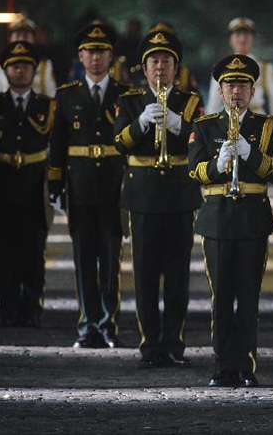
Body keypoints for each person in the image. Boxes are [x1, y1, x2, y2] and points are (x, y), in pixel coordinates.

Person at [189, 54, 273, 388]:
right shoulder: (204, 125)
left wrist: (249, 153)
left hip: (252, 219)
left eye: (243, 84)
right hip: (217, 219)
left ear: (253, 89)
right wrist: (218, 165)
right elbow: (194, 170)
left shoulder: (267, 127)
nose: (236, 91)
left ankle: (246, 364)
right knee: (221, 295)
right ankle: (223, 364)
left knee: (248, 295)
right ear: (220, 88)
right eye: (230, 84)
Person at [113, 26, 203, 368]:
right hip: (144, 196)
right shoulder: (129, 101)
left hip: (179, 194)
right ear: (144, 67)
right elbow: (118, 143)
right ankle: (150, 344)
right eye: (154, 61)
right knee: (145, 274)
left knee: (178, 275)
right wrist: (140, 123)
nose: (160, 68)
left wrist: (180, 125)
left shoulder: (190, 102)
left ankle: (174, 343)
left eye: (166, 61)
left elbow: (202, 143)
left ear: (175, 66)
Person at [48, 22, 128, 349]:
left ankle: (108, 324)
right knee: (83, 261)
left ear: (111, 56)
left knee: (111, 260)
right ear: (81, 56)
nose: (96, 58)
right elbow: (57, 144)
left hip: (114, 186)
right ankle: (87, 326)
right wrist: (55, 185)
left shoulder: (125, 95)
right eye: (90, 52)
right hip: (79, 187)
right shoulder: (67, 95)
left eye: (102, 52)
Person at [0, 41, 55, 328]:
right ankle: (7, 306)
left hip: (34, 182)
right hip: (3, 180)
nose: (20, 71)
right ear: (5, 71)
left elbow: (54, 147)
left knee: (34, 249)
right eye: (14, 66)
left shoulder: (47, 106)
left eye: (25, 66)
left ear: (34, 71)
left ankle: (31, 306)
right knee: (5, 248)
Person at [206, 18, 273, 123]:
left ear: (253, 39)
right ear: (230, 39)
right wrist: (211, 130)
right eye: (238, 35)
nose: (242, 39)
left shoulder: (264, 68)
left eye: (246, 35)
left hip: (258, 122)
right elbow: (213, 103)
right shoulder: (221, 67)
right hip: (229, 123)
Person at [0, 14, 58, 97]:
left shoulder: (44, 66)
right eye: (17, 35)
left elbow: (52, 97)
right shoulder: (1, 67)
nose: (21, 39)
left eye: (26, 35)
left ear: (33, 39)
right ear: (10, 39)